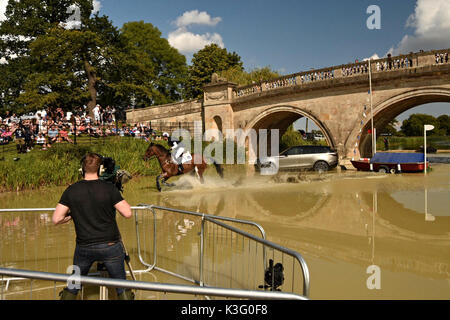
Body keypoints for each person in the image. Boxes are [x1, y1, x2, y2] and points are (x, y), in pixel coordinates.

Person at [52, 153, 134, 300]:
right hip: (111, 246)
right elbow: (127, 213)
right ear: (100, 169)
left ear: (81, 169)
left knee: (74, 285)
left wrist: (72, 216)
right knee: (121, 287)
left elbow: (57, 219)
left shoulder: (71, 190)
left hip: (84, 248)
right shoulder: (109, 188)